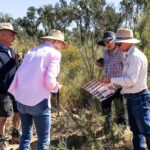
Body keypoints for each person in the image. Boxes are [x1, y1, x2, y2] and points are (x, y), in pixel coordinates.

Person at [8, 29, 69, 150]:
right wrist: (57, 87)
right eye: (61, 43)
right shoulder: (54, 54)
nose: (62, 47)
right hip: (39, 101)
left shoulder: (32, 51)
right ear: (55, 42)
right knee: (43, 140)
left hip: (21, 100)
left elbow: (20, 73)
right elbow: (50, 81)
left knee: (25, 135)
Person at [102, 28, 150, 150]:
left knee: (146, 130)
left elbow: (130, 80)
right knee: (136, 131)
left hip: (139, 97)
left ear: (128, 42)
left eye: (118, 43)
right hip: (133, 97)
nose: (117, 46)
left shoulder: (134, 57)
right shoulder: (129, 55)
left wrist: (111, 80)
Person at [96, 31, 126, 126]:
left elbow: (126, 67)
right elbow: (107, 63)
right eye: (105, 41)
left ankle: (120, 129)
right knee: (105, 105)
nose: (108, 43)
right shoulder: (105, 52)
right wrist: (101, 64)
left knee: (119, 107)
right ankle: (107, 126)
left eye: (110, 41)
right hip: (106, 84)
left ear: (115, 41)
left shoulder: (121, 52)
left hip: (118, 85)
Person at [0, 22, 20, 149]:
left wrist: (19, 61)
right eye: (11, 34)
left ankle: (15, 136)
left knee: (18, 112)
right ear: (2, 34)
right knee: (3, 116)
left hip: (16, 89)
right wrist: (13, 60)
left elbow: (15, 69)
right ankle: (2, 142)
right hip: (3, 90)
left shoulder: (11, 51)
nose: (14, 37)